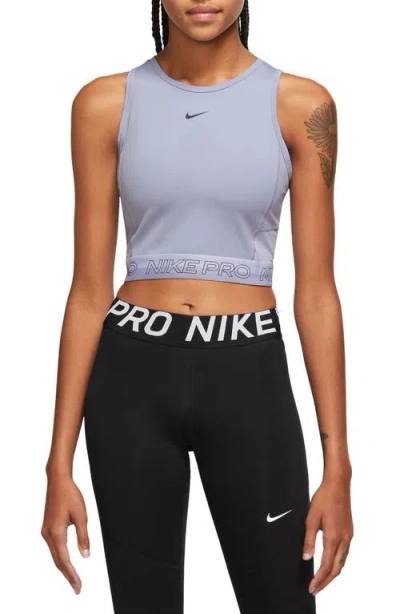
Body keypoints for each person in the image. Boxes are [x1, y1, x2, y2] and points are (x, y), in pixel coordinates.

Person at [41, 1, 354, 612]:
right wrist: (58, 465)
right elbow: (87, 292)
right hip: (132, 381)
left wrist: (338, 466)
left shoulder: (302, 105)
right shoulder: (104, 104)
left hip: (248, 376)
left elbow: (317, 293)